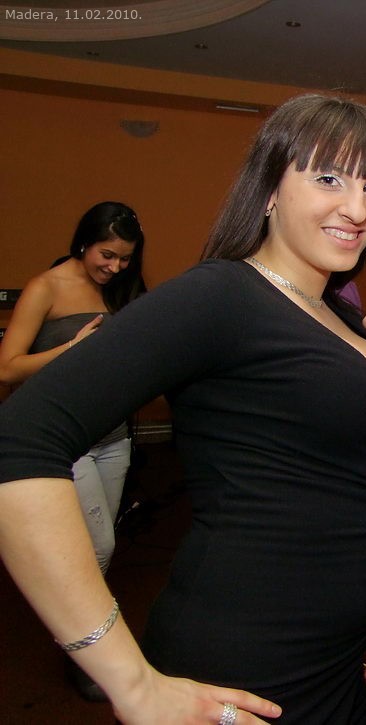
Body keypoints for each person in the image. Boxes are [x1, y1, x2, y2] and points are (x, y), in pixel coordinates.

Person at [0, 94, 366, 724]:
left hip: (336, 662)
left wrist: (363, 579)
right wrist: (129, 681)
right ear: (269, 190)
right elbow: (19, 442)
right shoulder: (220, 295)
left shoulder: (339, 313)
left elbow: (321, 474)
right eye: (328, 178)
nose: (357, 209)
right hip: (246, 663)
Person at [0, 201, 147, 701]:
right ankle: (86, 648)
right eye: (107, 255)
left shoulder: (120, 288)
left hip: (112, 438)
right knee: (96, 548)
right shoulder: (46, 287)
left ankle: (82, 632)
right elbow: (7, 367)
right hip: (65, 442)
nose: (116, 267)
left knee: (98, 544)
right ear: (84, 243)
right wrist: (71, 350)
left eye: (125, 258)